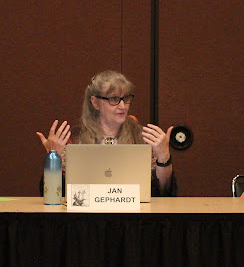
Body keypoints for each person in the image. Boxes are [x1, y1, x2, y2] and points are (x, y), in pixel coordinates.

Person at [36, 70, 176, 196]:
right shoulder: (73, 139)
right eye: (114, 99)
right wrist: (54, 159)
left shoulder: (144, 138)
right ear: (95, 103)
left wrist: (164, 156)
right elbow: (52, 194)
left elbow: (163, 193)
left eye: (125, 98)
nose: (122, 106)